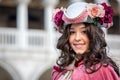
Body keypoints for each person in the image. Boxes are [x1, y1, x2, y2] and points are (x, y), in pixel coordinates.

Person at [52, 2, 120, 80]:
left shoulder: (102, 70)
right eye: (72, 32)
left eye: (84, 32)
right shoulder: (60, 71)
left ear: (94, 35)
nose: (77, 38)